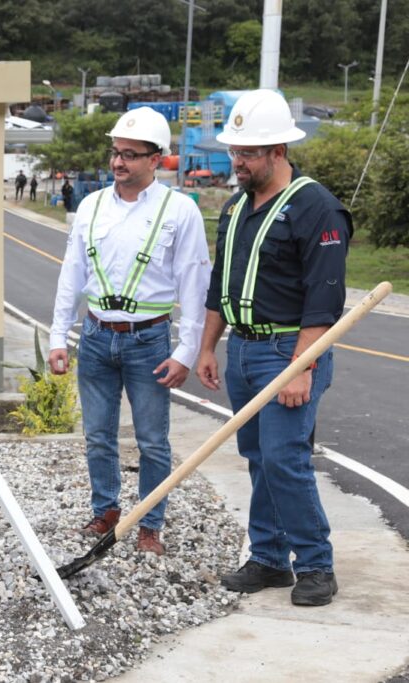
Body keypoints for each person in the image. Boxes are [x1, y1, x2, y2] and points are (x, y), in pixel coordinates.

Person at [195, 89, 351, 606]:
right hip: (242, 349)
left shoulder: (316, 207)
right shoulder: (237, 207)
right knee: (259, 457)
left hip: (289, 351)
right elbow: (220, 283)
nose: (237, 162)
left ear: (278, 151)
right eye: (234, 152)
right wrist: (208, 348)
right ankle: (268, 558)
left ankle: (316, 565)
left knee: (285, 458)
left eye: (248, 153)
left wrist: (302, 368)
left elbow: (324, 299)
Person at [48, 106, 210, 556]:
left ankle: (149, 525)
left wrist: (186, 351)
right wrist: (58, 336)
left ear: (156, 159)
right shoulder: (92, 206)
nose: (118, 162)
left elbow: (195, 284)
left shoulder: (180, 211)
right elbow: (72, 274)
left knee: (152, 441)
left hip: (149, 340)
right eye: (116, 153)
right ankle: (106, 510)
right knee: (98, 436)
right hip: (96, 335)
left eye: (130, 155)